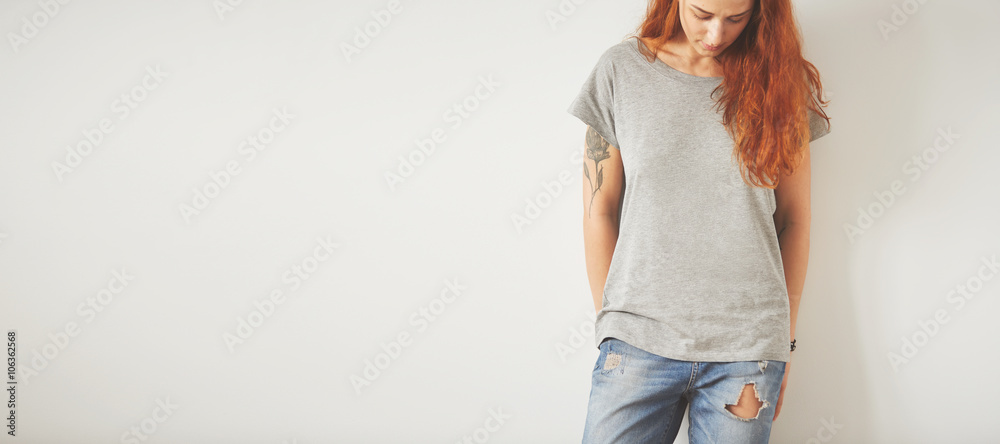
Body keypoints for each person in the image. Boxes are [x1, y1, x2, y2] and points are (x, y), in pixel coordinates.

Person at [567, 0, 831, 442]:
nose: (714, 35)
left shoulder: (782, 82)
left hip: (747, 351)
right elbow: (600, 209)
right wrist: (611, 327)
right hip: (636, 342)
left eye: (735, 18)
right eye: (702, 13)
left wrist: (781, 343)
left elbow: (794, 220)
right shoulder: (622, 70)